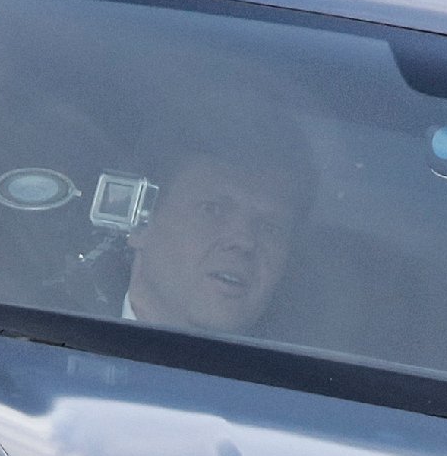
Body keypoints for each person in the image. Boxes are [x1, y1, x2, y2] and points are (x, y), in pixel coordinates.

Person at [119, 118, 310, 335]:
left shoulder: (314, 365)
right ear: (141, 224)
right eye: (213, 209)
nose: (244, 242)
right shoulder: (73, 330)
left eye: (270, 228)